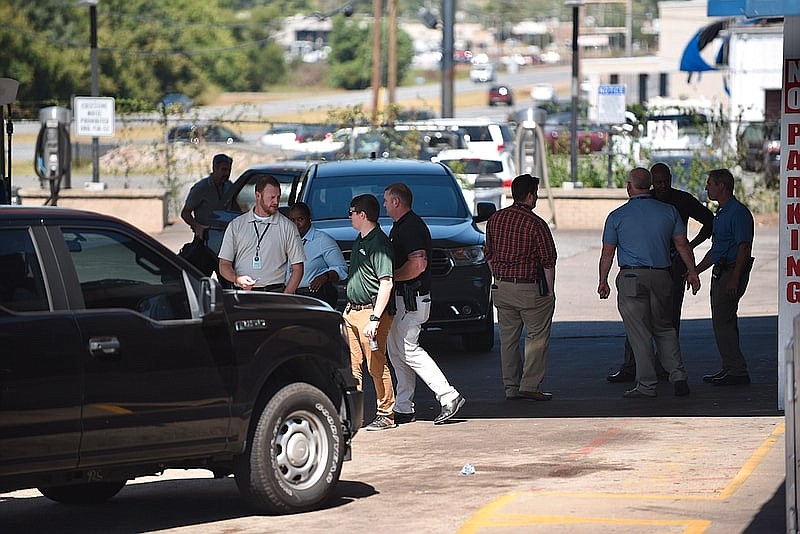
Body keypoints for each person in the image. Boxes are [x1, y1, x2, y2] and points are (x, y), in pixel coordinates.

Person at [607, 162, 715, 383]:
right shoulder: (652, 202)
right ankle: (634, 366)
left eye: (666, 181)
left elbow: (710, 221)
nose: (663, 185)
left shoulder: (681, 200)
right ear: (651, 183)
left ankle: (662, 369)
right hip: (660, 267)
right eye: (658, 182)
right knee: (640, 322)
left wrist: (692, 246)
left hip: (671, 265)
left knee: (666, 319)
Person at [383, 183, 465, 425]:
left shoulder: (410, 227)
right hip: (405, 300)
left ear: (396, 202)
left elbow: (418, 264)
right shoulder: (403, 226)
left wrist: (390, 277)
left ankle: (448, 396)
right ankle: (404, 406)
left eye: (387, 200)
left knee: (408, 349)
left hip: (411, 300)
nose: (385, 204)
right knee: (397, 353)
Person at [484, 173, 557, 401]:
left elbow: (488, 253)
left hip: (502, 287)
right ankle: (530, 384)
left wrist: (498, 275)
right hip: (529, 289)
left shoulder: (495, 219)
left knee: (508, 340)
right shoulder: (536, 224)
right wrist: (550, 292)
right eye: (535, 194)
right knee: (536, 337)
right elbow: (548, 260)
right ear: (529, 196)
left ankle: (511, 387)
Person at [695, 168, 755, 386]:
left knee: (724, 322)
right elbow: (717, 250)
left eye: (710, 184)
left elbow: (743, 247)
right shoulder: (721, 214)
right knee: (723, 322)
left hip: (731, 271)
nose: (706, 188)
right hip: (722, 270)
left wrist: (734, 278)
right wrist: (695, 270)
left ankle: (736, 370)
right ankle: (730, 367)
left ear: (722, 186)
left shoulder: (737, 213)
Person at [343, 194, 397, 431]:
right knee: (352, 366)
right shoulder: (361, 239)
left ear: (361, 215)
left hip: (369, 314)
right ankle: (355, 415)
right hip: (353, 312)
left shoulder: (379, 243)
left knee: (376, 365)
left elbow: (386, 282)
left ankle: (386, 413)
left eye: (351, 212)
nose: (350, 216)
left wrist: (375, 318)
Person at [218, 174, 305, 293]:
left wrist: (286, 297)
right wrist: (237, 279)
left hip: (274, 292)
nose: (276, 202)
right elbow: (224, 264)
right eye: (272, 197)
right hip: (243, 293)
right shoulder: (236, 225)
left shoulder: (288, 227)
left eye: (278, 197)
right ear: (258, 196)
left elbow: (298, 268)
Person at [180, 153, 239, 281]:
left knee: (227, 280)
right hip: (204, 241)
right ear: (214, 168)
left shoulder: (230, 187)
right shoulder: (201, 188)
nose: (226, 173)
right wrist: (197, 226)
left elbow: (236, 209)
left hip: (224, 241)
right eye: (223, 170)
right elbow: (185, 213)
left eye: (229, 170)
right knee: (199, 280)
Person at [287, 202, 347, 308]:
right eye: (292, 220)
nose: (296, 224)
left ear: (309, 218)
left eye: (300, 219)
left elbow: (341, 269)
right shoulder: (286, 240)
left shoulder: (322, 240)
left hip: (313, 297)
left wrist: (326, 276)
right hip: (289, 297)